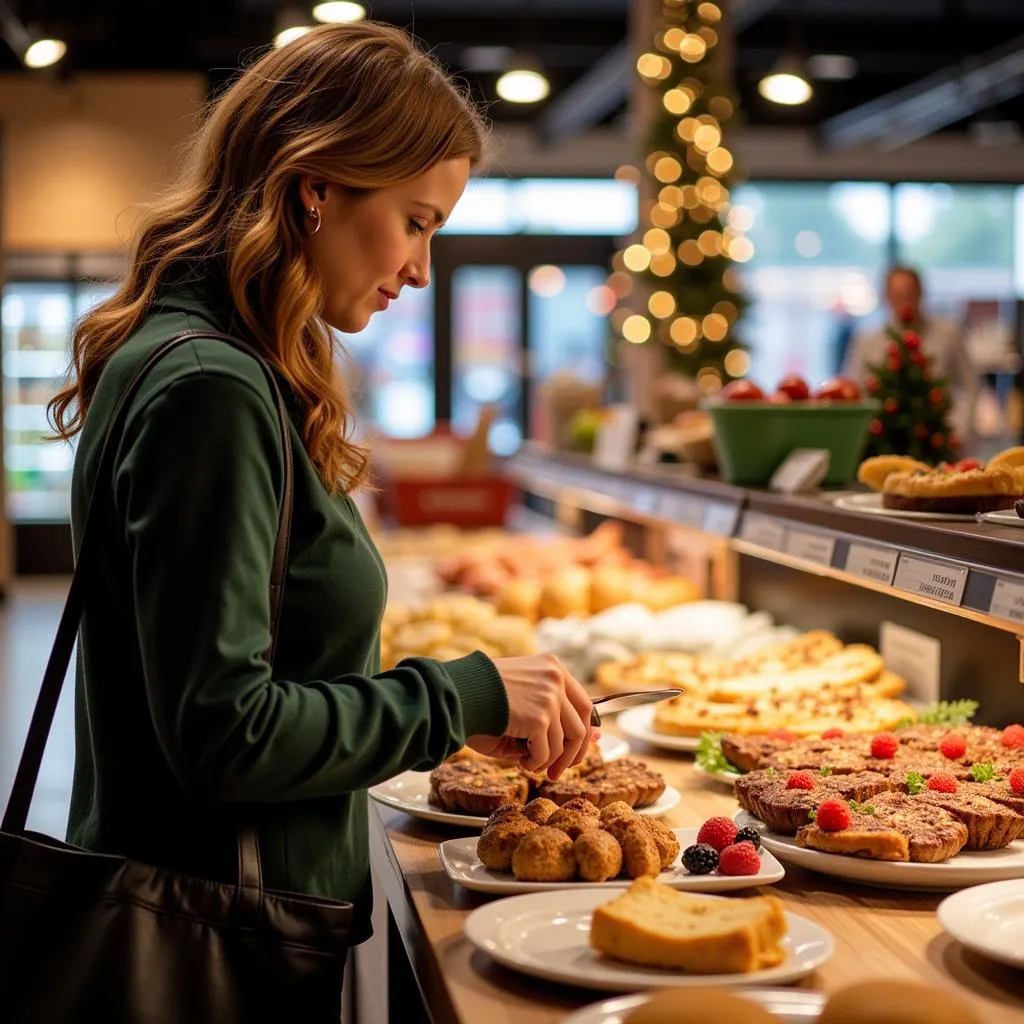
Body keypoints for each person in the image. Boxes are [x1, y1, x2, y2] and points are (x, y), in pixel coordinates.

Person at [47, 20, 596, 974]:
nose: (422, 268)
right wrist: (461, 693)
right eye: (416, 222)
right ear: (316, 189)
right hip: (214, 934)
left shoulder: (199, 357)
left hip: (205, 904)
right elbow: (226, 733)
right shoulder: (213, 390)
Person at [842, 266, 980, 444]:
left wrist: (959, 428)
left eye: (910, 294)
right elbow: (854, 392)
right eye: (898, 295)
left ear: (921, 293)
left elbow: (970, 385)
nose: (905, 302)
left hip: (938, 440)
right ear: (886, 297)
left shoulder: (948, 334)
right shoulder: (867, 341)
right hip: (884, 441)